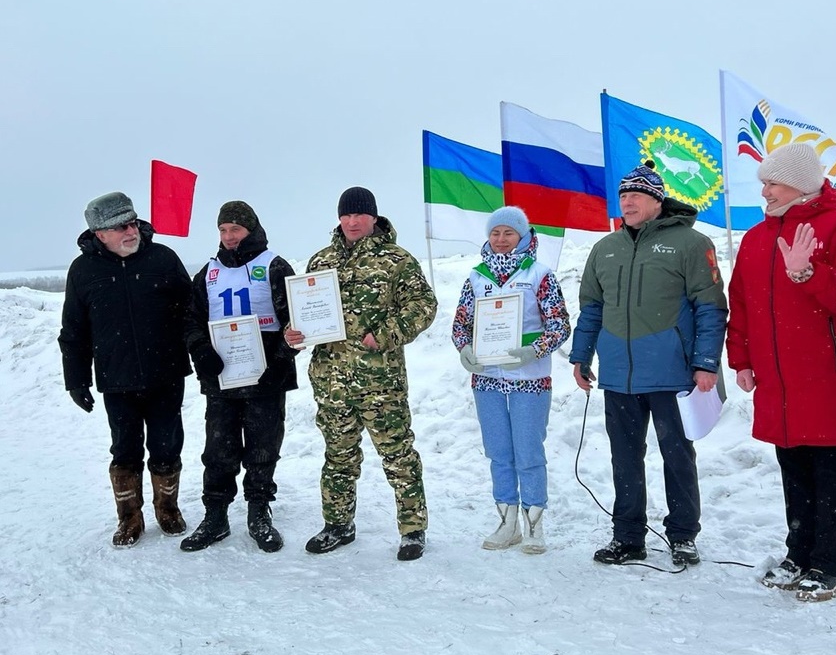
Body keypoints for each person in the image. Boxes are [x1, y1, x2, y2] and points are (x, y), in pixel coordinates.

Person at [726, 143, 836, 602]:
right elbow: (743, 305)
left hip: (827, 376)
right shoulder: (756, 238)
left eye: (772, 182)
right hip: (777, 377)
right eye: (764, 182)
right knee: (793, 468)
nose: (765, 190)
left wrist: (809, 271)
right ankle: (799, 552)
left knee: (830, 471)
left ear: (801, 183)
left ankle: (829, 565)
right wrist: (743, 359)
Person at [569, 160, 727, 566]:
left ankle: (682, 535)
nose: (628, 202)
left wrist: (706, 362)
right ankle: (628, 537)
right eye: (623, 195)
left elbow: (710, 307)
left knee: (677, 454)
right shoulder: (605, 249)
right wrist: (581, 355)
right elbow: (591, 308)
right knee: (624, 457)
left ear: (657, 200)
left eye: (636, 195)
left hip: (671, 372)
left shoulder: (691, 244)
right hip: (619, 374)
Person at [286, 186, 437, 561]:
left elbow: (424, 306)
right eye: (346, 215)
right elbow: (305, 313)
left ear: (373, 217)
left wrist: (385, 334)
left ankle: (413, 529)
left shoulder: (396, 261)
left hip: (379, 383)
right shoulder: (321, 263)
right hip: (331, 382)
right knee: (338, 457)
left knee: (398, 455)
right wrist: (295, 332)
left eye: (360, 215)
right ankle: (338, 524)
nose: (352, 222)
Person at [58, 192, 192, 547]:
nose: (131, 231)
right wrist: (76, 379)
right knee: (125, 450)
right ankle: (130, 518)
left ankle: (168, 509)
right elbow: (74, 330)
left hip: (165, 373)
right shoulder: (83, 270)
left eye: (133, 223)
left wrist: (200, 353)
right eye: (121, 227)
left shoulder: (163, 258)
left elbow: (192, 312)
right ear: (99, 233)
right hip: (116, 379)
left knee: (166, 446)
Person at [451, 206, 571, 554]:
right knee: (498, 452)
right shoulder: (476, 277)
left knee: (528, 451)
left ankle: (535, 524)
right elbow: (461, 324)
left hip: (529, 378)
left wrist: (535, 350)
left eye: (508, 233)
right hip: (487, 379)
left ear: (523, 236)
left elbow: (560, 324)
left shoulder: (539, 274)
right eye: (495, 233)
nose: (501, 240)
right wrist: (464, 349)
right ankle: (507, 522)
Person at [180, 201, 298, 553]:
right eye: (223, 230)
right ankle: (215, 516)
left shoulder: (274, 266)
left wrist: (280, 359)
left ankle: (259, 513)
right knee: (218, 450)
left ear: (251, 229)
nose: (229, 236)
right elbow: (190, 318)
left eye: (236, 229)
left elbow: (297, 318)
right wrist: (200, 350)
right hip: (222, 380)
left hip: (266, 377)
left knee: (263, 448)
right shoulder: (209, 273)